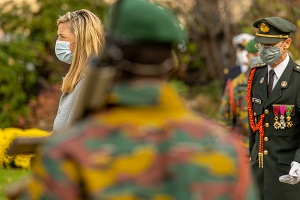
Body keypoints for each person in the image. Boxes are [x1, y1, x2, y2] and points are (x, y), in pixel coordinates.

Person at [7, 0, 259, 199]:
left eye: (62, 37)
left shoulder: (69, 154)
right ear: (172, 65)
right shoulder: (223, 149)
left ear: (110, 57)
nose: (58, 42)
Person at [247, 16, 300, 200]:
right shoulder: (257, 75)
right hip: (258, 171)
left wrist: (299, 161)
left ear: (286, 43)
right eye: (261, 45)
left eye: (270, 46)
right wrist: (250, 157)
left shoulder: (298, 80)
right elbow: (253, 125)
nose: (264, 50)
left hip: (287, 174)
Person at [53, 9, 105, 133]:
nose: (58, 42)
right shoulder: (80, 76)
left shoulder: (91, 81)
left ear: (82, 39)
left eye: (62, 36)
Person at [219, 39, 262, 148]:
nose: (259, 58)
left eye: (262, 54)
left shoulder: (275, 80)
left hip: (273, 151)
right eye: (255, 55)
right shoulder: (235, 85)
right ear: (247, 56)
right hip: (246, 148)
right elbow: (225, 121)